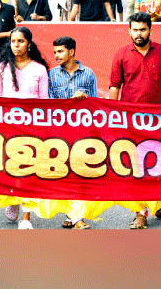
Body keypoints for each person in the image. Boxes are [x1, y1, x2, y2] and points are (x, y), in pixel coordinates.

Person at [109, 12, 161, 229]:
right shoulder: (121, 54)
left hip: (159, 119)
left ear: (150, 30)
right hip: (131, 121)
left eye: (142, 29)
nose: (138, 34)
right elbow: (114, 85)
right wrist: (112, 113)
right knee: (137, 166)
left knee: (158, 162)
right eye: (135, 30)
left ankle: (157, 200)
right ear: (129, 31)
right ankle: (140, 214)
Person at [0, 27, 49, 230]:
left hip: (32, 128)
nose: (16, 45)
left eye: (21, 41)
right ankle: (13, 198)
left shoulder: (39, 69)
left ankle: (26, 216)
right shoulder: (2, 68)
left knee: (29, 171)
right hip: (7, 128)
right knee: (10, 169)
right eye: (13, 41)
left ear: (29, 44)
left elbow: (44, 101)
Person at [48, 36, 100, 229]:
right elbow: (49, 104)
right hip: (60, 132)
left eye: (60, 51)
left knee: (80, 174)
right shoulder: (51, 75)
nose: (56, 55)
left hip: (82, 132)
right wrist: (70, 101)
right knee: (65, 175)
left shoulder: (88, 74)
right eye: (55, 52)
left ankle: (75, 216)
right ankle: (75, 216)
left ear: (71, 52)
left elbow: (95, 105)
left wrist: (83, 99)